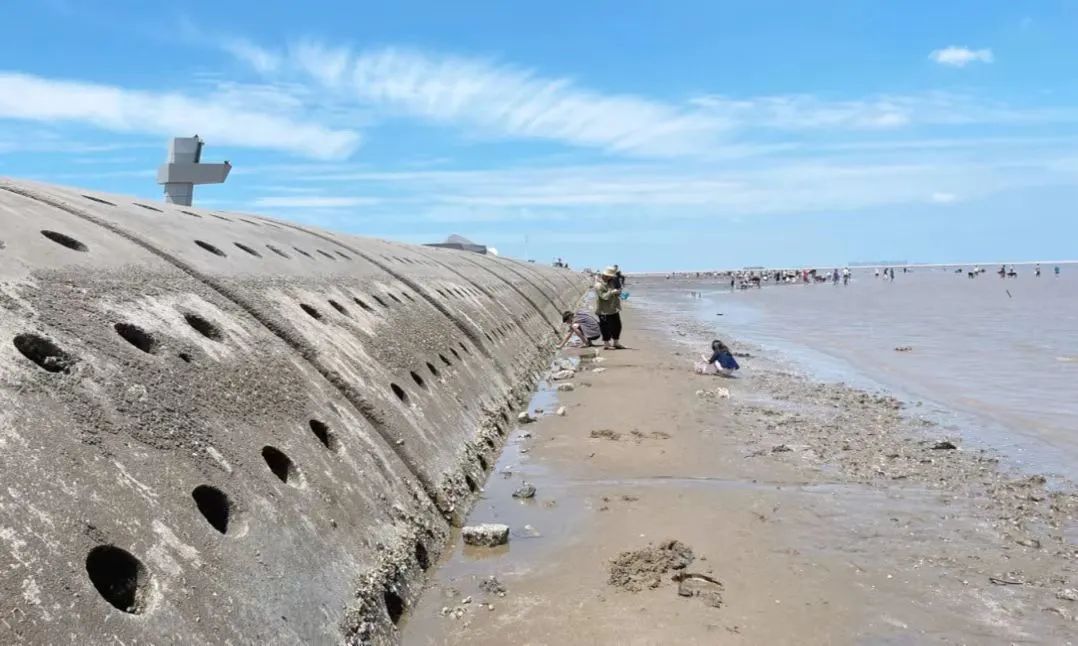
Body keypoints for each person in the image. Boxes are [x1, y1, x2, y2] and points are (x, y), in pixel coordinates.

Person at [595, 266, 625, 349]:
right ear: (606, 275)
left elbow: (614, 292)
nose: (612, 278)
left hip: (613, 308)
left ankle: (616, 342)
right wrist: (612, 292)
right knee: (605, 328)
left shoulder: (611, 282)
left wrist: (618, 293)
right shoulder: (598, 285)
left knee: (617, 326)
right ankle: (606, 344)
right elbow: (604, 297)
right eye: (611, 276)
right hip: (603, 311)